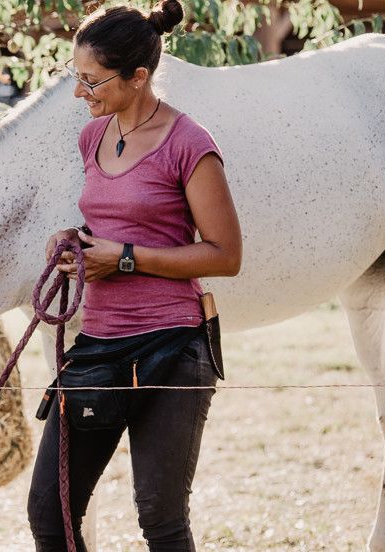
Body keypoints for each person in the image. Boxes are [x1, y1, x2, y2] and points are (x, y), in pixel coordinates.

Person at [31, 2, 243, 551]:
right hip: (99, 345)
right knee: (50, 513)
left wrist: (125, 258)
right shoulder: (92, 137)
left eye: (92, 80)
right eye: (76, 75)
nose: (79, 92)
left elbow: (225, 255)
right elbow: (120, 220)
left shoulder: (189, 143)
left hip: (173, 347)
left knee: (160, 519)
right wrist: (75, 239)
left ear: (139, 76)